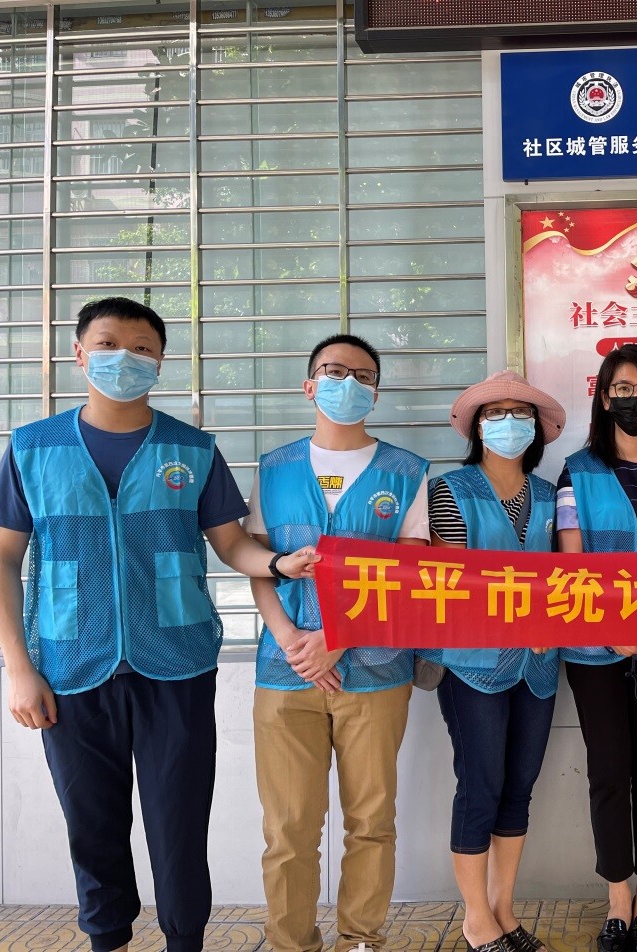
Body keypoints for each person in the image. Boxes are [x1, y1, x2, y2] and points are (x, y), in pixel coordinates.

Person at [0, 297, 318, 952]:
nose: (125, 358)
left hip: (177, 664)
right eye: (108, 343)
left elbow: (231, 543)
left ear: (160, 363)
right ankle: (107, 939)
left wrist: (279, 563)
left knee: (179, 824)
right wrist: (19, 669)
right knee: (92, 826)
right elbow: (0, 558)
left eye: (142, 348)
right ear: (79, 354)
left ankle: (184, 941)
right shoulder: (32, 448)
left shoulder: (192, 449)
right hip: (70, 665)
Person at [244, 334, 431, 951]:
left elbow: (410, 575)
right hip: (285, 672)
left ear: (376, 393)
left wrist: (339, 637)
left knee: (371, 821)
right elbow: (259, 564)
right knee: (288, 828)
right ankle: (290, 942)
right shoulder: (273, 468)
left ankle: (361, 940)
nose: (348, 383)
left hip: (376, 672)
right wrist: (292, 639)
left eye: (363, 375)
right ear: (310, 385)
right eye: (333, 371)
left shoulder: (408, 472)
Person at [421, 370, 565, 952]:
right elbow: (452, 583)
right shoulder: (449, 490)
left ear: (537, 428)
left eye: (520, 413)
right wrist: (525, 620)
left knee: (519, 787)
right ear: (477, 428)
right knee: (480, 784)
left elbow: (568, 577)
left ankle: (504, 910)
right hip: (471, 663)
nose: (509, 423)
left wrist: (550, 623)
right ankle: (476, 918)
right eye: (495, 413)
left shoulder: (552, 494)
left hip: (538, 666)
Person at [556, 344, 637, 952]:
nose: (634, 398)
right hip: (594, 652)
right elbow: (570, 562)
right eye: (622, 388)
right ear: (604, 397)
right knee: (609, 772)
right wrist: (608, 631)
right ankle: (616, 899)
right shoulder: (576, 472)